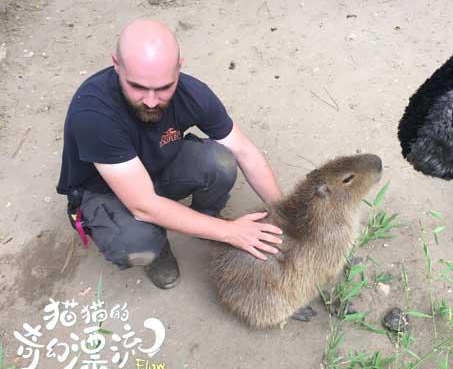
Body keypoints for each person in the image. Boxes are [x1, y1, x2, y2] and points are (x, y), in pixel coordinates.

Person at [56, 19, 284, 289]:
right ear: (116, 64)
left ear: (179, 68)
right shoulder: (94, 112)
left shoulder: (193, 93)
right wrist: (231, 232)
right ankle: (158, 248)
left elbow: (244, 151)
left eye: (164, 87)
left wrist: (285, 214)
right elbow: (142, 204)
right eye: (137, 86)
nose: (151, 100)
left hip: (155, 168)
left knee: (221, 161)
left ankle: (205, 218)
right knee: (136, 242)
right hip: (106, 191)